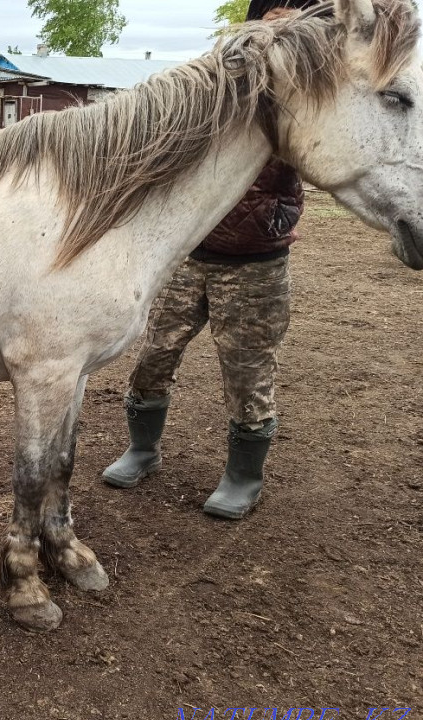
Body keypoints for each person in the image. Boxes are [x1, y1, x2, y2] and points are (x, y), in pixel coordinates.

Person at [101, 0, 317, 520]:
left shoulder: (302, 101)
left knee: (247, 371)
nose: (279, 32)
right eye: (272, 20)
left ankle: (244, 476)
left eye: (291, 23)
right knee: (155, 353)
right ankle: (142, 450)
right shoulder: (215, 88)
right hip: (189, 253)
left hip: (255, 262)